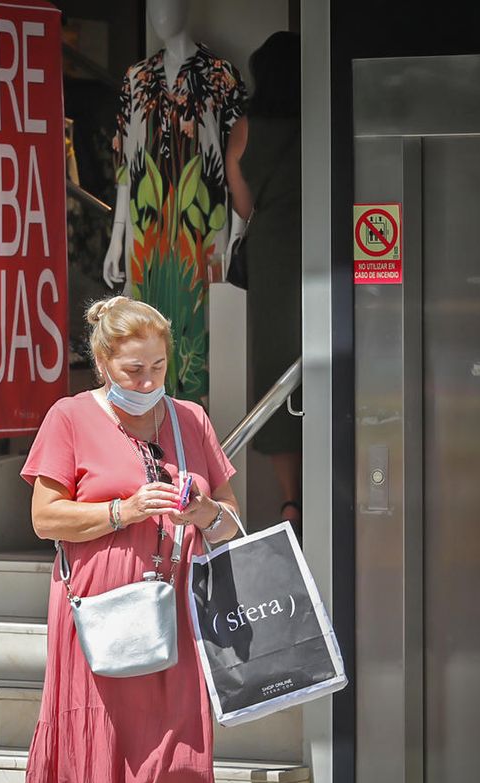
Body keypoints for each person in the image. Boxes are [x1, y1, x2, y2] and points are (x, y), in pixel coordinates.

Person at [21, 296, 240, 783]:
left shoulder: (190, 419)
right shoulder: (69, 417)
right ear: (103, 364)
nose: (147, 382)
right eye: (133, 370)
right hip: (100, 614)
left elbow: (232, 521)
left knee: (179, 757)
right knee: (108, 755)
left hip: (178, 612)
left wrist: (206, 513)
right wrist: (123, 510)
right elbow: (44, 517)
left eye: (158, 367)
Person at [226, 31, 303, 530]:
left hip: (273, 258)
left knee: (278, 369)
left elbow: (243, 205)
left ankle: (290, 501)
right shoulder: (323, 118)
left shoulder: (245, 129)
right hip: (325, 247)